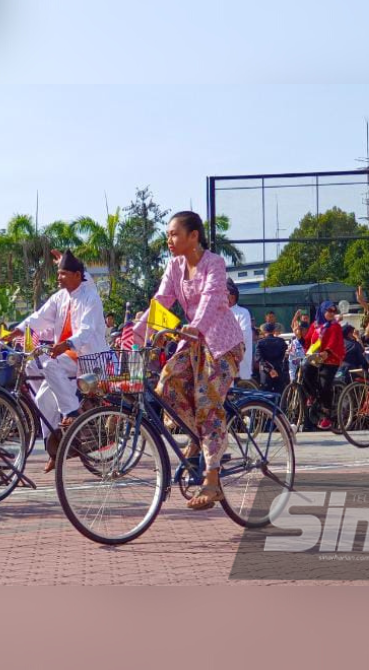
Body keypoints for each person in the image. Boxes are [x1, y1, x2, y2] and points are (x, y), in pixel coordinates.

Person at [134, 211, 244, 512]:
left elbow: (210, 300)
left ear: (193, 236)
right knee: (167, 383)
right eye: (168, 234)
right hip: (192, 343)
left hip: (222, 344)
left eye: (174, 234)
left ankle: (211, 479)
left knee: (207, 401)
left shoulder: (214, 264)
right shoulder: (174, 266)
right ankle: (198, 438)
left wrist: (196, 326)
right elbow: (161, 303)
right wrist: (135, 333)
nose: (169, 240)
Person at [6, 249, 107, 473]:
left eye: (63, 273)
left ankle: (71, 413)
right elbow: (39, 318)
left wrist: (67, 344)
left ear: (77, 275)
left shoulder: (91, 296)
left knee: (50, 363)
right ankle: (57, 449)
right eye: (58, 273)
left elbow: (87, 331)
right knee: (42, 399)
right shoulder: (60, 297)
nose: (58, 277)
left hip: (91, 360)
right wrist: (17, 332)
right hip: (67, 358)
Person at [302, 301, 345, 430]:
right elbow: (308, 341)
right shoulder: (315, 325)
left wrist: (327, 352)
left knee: (325, 383)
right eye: (329, 310)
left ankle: (327, 414)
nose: (331, 313)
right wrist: (300, 338)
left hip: (331, 358)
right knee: (306, 369)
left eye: (333, 311)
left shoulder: (335, 326)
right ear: (322, 311)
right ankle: (312, 396)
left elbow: (334, 342)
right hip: (317, 358)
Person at [227, 279, 254, 383]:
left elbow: (243, 335)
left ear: (232, 297)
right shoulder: (219, 313)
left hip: (239, 366)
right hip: (222, 365)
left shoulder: (242, 313)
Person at [256, 322, 288, 393]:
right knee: (279, 393)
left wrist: (270, 370)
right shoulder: (281, 341)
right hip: (278, 370)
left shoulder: (260, 343)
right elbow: (284, 355)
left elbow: (258, 358)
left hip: (265, 372)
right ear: (273, 331)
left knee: (266, 395)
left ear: (264, 331)